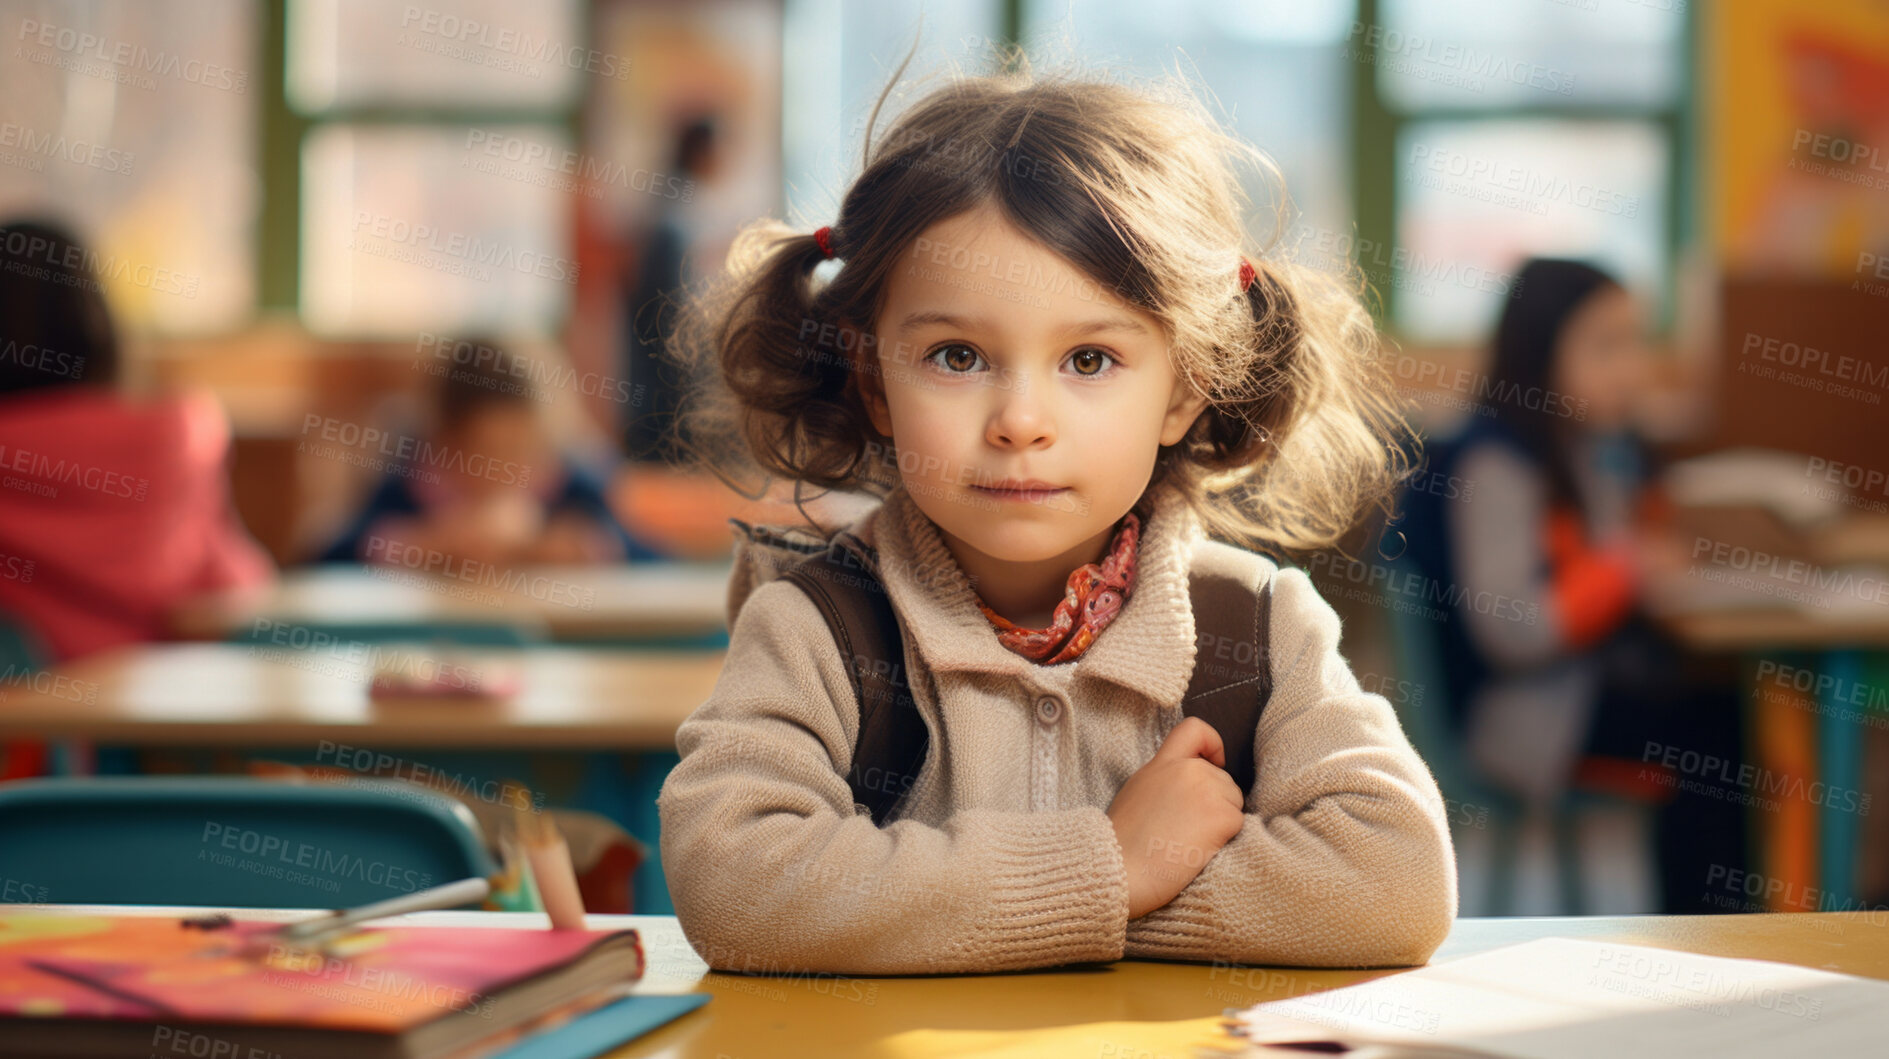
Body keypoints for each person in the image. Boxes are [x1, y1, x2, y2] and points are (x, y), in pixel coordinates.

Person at [654, 66, 1457, 974]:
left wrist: (978, 908)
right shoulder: (818, 627)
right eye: (956, 355)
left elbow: (1396, 883)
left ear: (1184, 387)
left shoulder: (1260, 629)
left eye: (1088, 358)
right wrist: (1115, 865)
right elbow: (737, 887)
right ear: (875, 378)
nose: (1019, 419)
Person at [1401, 257, 1744, 913]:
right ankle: (1712, 930)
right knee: (1713, 736)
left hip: (1575, 692)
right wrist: (1627, 567)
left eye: (1635, 342)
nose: (1630, 366)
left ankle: (1723, 922)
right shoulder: (1495, 462)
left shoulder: (1587, 447)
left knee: (1723, 708)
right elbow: (1513, 629)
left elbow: (1617, 549)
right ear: (1537, 353)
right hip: (1525, 715)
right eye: (1604, 345)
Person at [0, 217, 272, 665]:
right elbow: (239, 587)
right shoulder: (179, 438)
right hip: (171, 713)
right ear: (97, 322)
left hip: (33, 727)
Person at [318, 344, 664, 566]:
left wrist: (589, 547)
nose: (500, 469)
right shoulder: (409, 486)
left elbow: (653, 560)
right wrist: (415, 544)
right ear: (444, 443)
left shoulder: (572, 487)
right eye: (480, 453)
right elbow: (327, 559)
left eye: (517, 451)